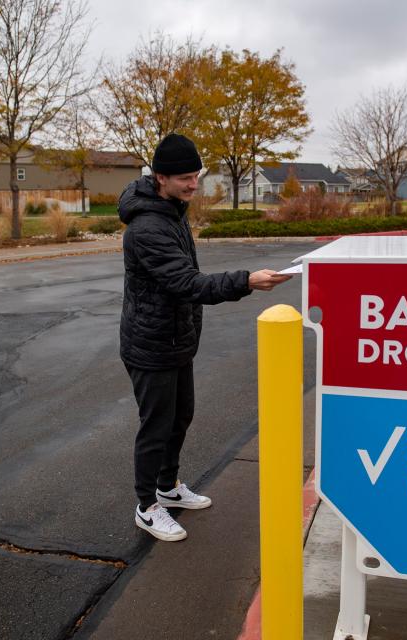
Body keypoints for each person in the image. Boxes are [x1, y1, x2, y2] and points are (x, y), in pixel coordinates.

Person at [118, 133, 291, 542]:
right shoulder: (146, 227)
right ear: (161, 177)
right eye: (186, 178)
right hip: (151, 343)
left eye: (196, 176)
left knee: (180, 418)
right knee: (156, 427)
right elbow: (185, 282)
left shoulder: (171, 209)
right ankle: (147, 506)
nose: (194, 185)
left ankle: (168, 487)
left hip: (177, 339)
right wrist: (246, 281)